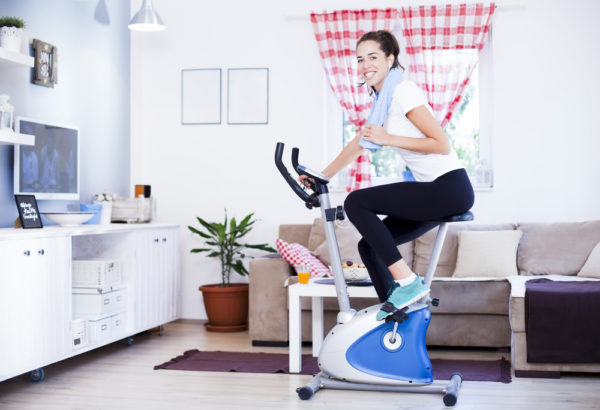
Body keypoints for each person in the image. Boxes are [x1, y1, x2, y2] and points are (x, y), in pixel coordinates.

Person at [300, 30, 474, 321]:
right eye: (360, 59)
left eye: (373, 57)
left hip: (448, 187)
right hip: (436, 190)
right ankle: (398, 320)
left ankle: (408, 282)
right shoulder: (383, 100)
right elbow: (361, 142)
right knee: (369, 246)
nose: (365, 65)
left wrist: (389, 138)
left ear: (390, 59)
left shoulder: (403, 91)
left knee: (356, 202)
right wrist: (322, 175)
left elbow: (441, 144)